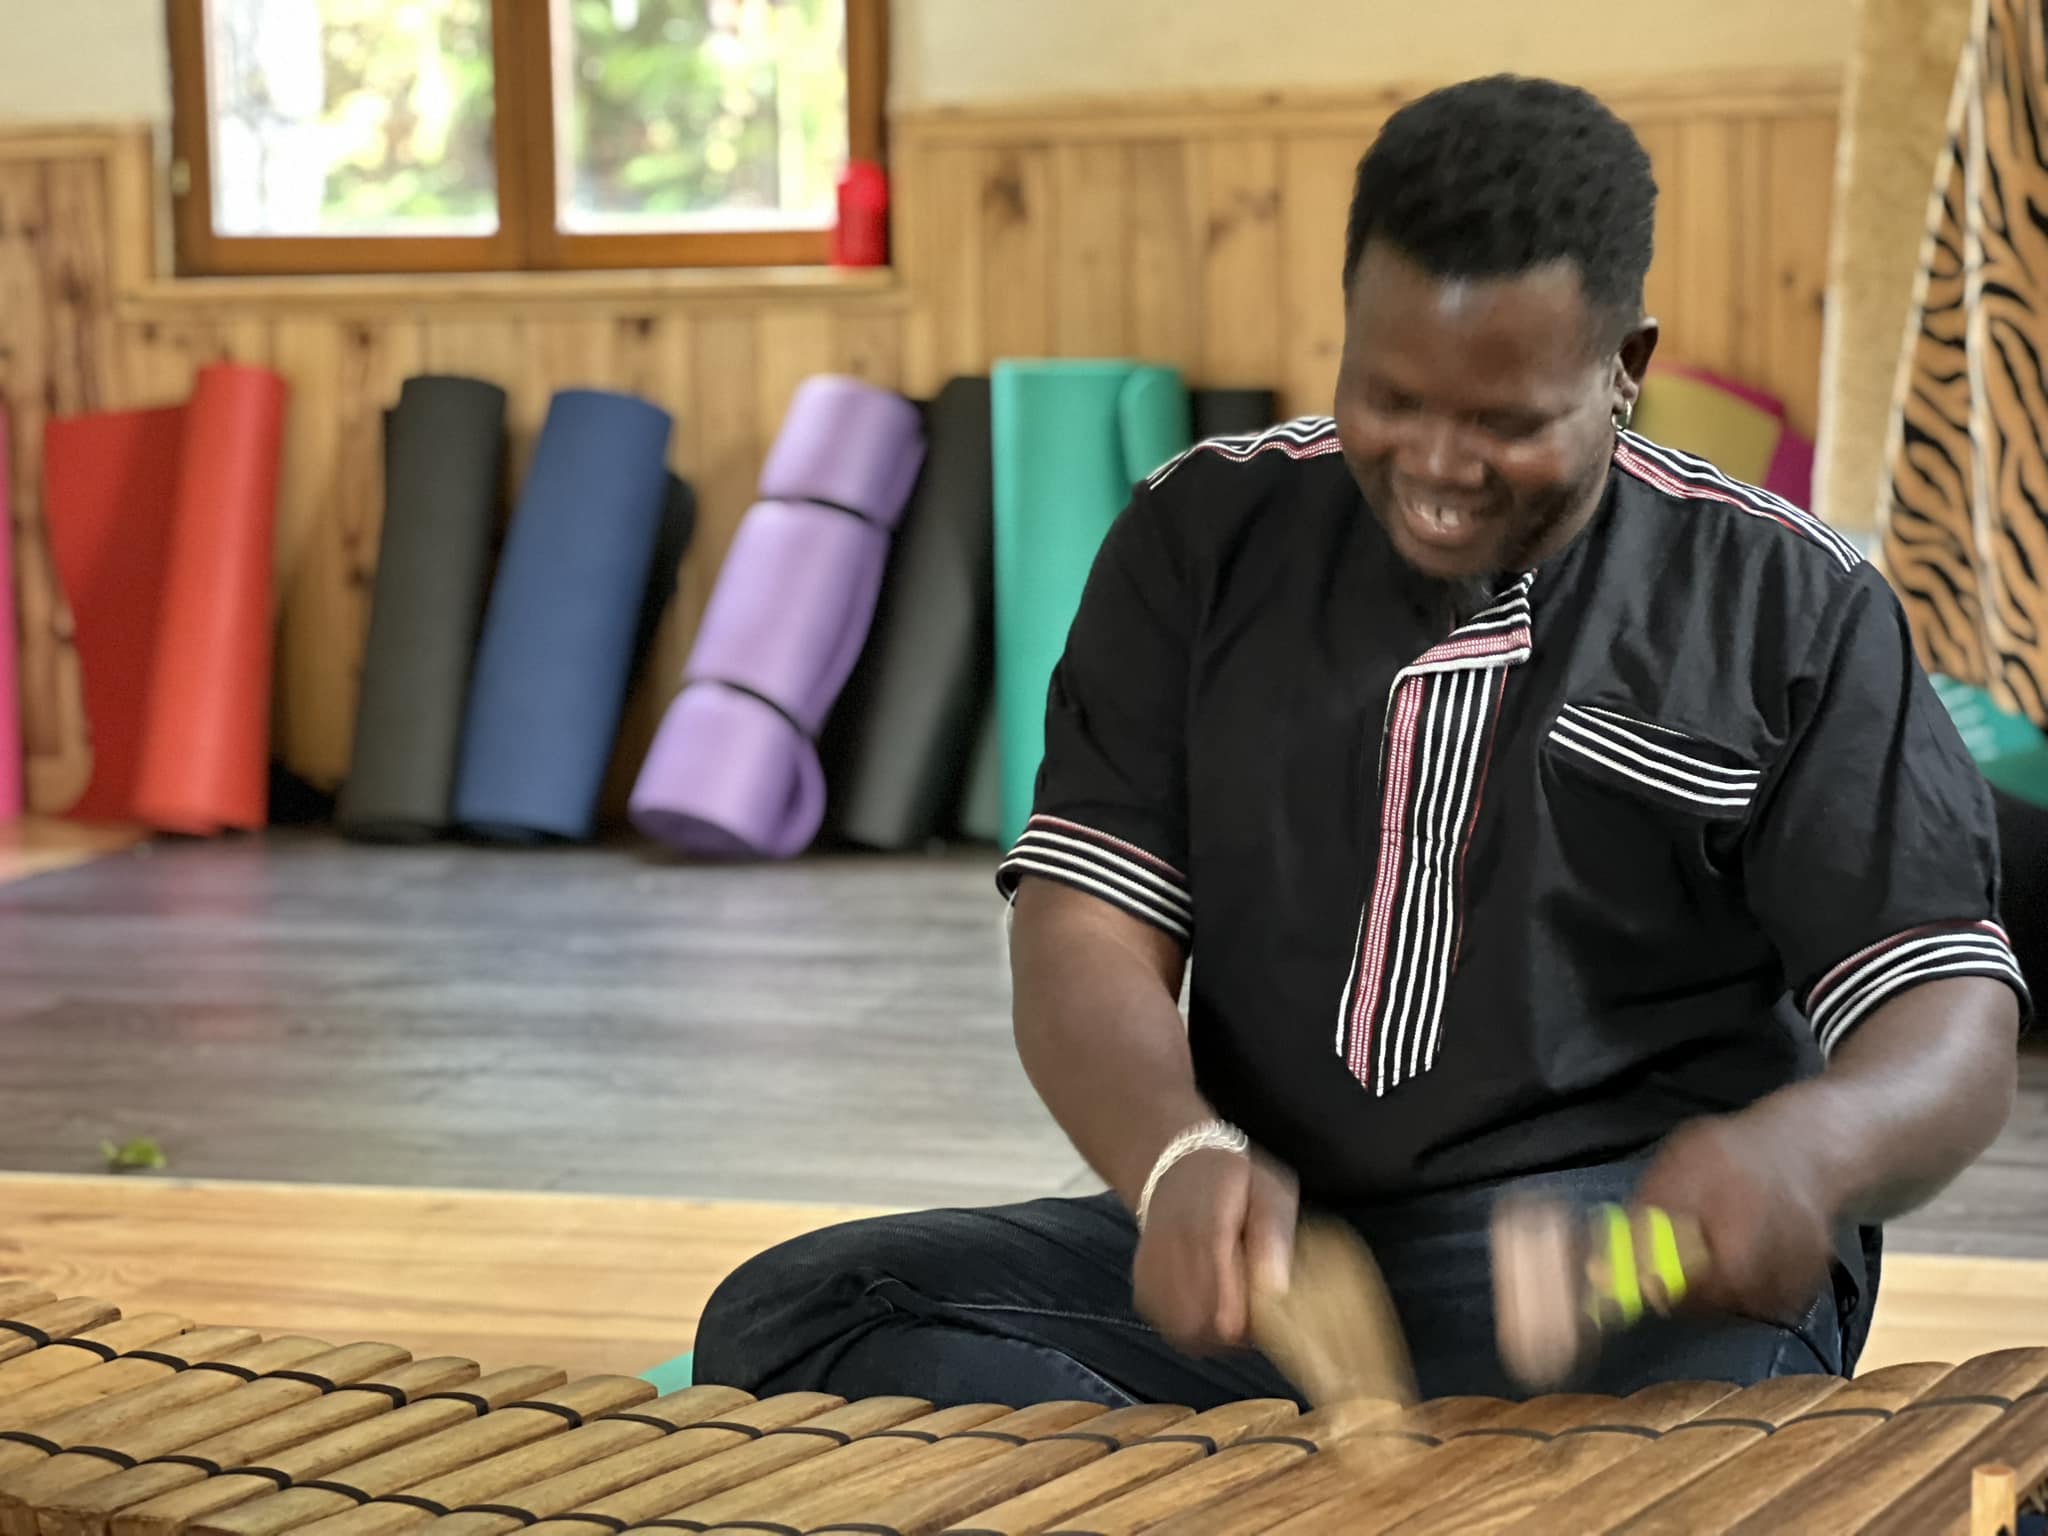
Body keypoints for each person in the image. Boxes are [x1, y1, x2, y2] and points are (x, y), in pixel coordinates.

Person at [691, 74, 2028, 1407]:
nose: (1436, 465)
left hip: (1633, 1271)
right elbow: (1085, 930)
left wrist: (1812, 1150)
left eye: (1504, 422)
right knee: (800, 1315)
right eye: (1390, 397)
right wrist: (1173, 1156)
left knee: (1695, 1468)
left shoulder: (1789, 604)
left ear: (1626, 368)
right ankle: (1284, 1475)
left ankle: (1299, 1473)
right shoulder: (1197, 540)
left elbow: (1949, 1010)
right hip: (1284, 1257)